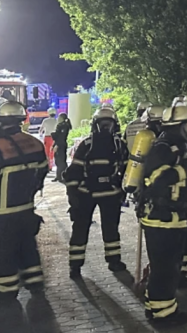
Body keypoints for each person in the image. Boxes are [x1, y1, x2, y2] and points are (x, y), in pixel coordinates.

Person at [140, 105, 187, 328]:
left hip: (174, 217)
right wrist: (185, 169)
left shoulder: (180, 146)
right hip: (162, 218)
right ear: (177, 126)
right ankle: (163, 316)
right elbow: (155, 182)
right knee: (165, 269)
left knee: (168, 267)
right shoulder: (163, 148)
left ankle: (158, 308)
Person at [0, 101, 49, 298]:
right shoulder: (35, 143)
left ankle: (8, 290)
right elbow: (42, 172)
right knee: (28, 245)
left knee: (4, 251)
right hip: (27, 208)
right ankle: (35, 282)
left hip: (4, 212)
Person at [63, 106, 129, 278]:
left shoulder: (115, 145)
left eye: (108, 124)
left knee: (102, 228)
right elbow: (75, 171)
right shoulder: (95, 145)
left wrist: (73, 194)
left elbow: (126, 170)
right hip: (94, 193)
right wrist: (72, 195)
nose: (106, 127)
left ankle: (102, 262)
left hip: (96, 193)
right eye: (103, 124)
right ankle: (79, 264)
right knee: (88, 229)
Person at [52, 112, 72, 181]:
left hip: (60, 144)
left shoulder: (62, 126)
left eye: (59, 117)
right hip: (62, 144)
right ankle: (61, 175)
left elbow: (60, 137)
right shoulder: (65, 125)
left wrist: (56, 145)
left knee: (60, 161)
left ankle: (60, 176)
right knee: (60, 160)